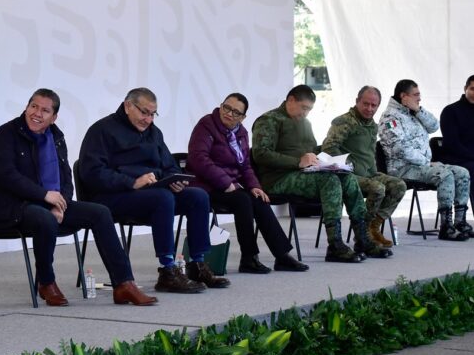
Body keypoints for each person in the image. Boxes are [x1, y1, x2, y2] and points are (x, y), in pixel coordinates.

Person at [0, 88, 157, 307]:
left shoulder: (55, 137)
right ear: (27, 107)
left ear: (54, 117)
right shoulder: (6, 134)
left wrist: (62, 203)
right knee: (43, 218)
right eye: (34, 107)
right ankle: (46, 282)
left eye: (45, 110)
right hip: (12, 207)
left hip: (47, 202)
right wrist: (45, 195)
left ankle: (124, 284)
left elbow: (65, 176)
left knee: (100, 213)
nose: (37, 113)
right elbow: (6, 175)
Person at [78, 87, 229, 293]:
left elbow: (170, 167)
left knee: (198, 196)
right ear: (128, 106)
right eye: (144, 112)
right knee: (162, 197)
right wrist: (132, 182)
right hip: (113, 196)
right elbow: (92, 173)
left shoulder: (154, 133)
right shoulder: (102, 130)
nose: (148, 119)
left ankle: (197, 264)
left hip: (152, 193)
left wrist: (174, 180)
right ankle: (167, 271)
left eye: (152, 114)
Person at [251, 85, 392, 263]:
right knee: (330, 181)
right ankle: (335, 245)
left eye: (309, 109)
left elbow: (310, 150)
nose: (305, 113)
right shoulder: (269, 120)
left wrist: (329, 159)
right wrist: (297, 162)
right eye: (303, 107)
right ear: (291, 100)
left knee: (346, 177)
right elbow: (260, 153)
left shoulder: (304, 123)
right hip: (278, 178)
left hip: (305, 173)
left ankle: (363, 239)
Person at [186, 93, 308, 273]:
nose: (228, 113)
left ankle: (282, 255)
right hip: (206, 186)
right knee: (242, 200)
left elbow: (245, 166)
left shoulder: (241, 133)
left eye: (235, 112)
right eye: (226, 107)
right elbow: (198, 159)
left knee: (259, 198)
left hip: (231, 186)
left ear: (243, 118)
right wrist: (226, 182)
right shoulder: (206, 125)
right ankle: (249, 258)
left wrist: (255, 186)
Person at [378, 79, 472, 241]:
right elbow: (400, 148)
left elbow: (434, 126)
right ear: (403, 96)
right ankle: (446, 226)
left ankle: (460, 222)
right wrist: (426, 162)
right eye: (416, 95)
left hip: (423, 166)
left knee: (462, 172)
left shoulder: (413, 112)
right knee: (444, 175)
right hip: (403, 168)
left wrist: (418, 110)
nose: (419, 98)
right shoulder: (390, 118)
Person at [322, 86, 407, 247]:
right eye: (365, 104)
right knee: (378, 188)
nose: (369, 109)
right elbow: (329, 148)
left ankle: (373, 227)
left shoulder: (372, 125)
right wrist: (348, 165)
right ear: (357, 101)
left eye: (373, 105)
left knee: (399, 185)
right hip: (348, 175)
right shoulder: (344, 122)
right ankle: (362, 233)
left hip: (369, 174)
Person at [440, 75, 474, 209]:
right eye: (472, 89)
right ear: (465, 88)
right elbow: (452, 144)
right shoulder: (451, 111)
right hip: (456, 159)